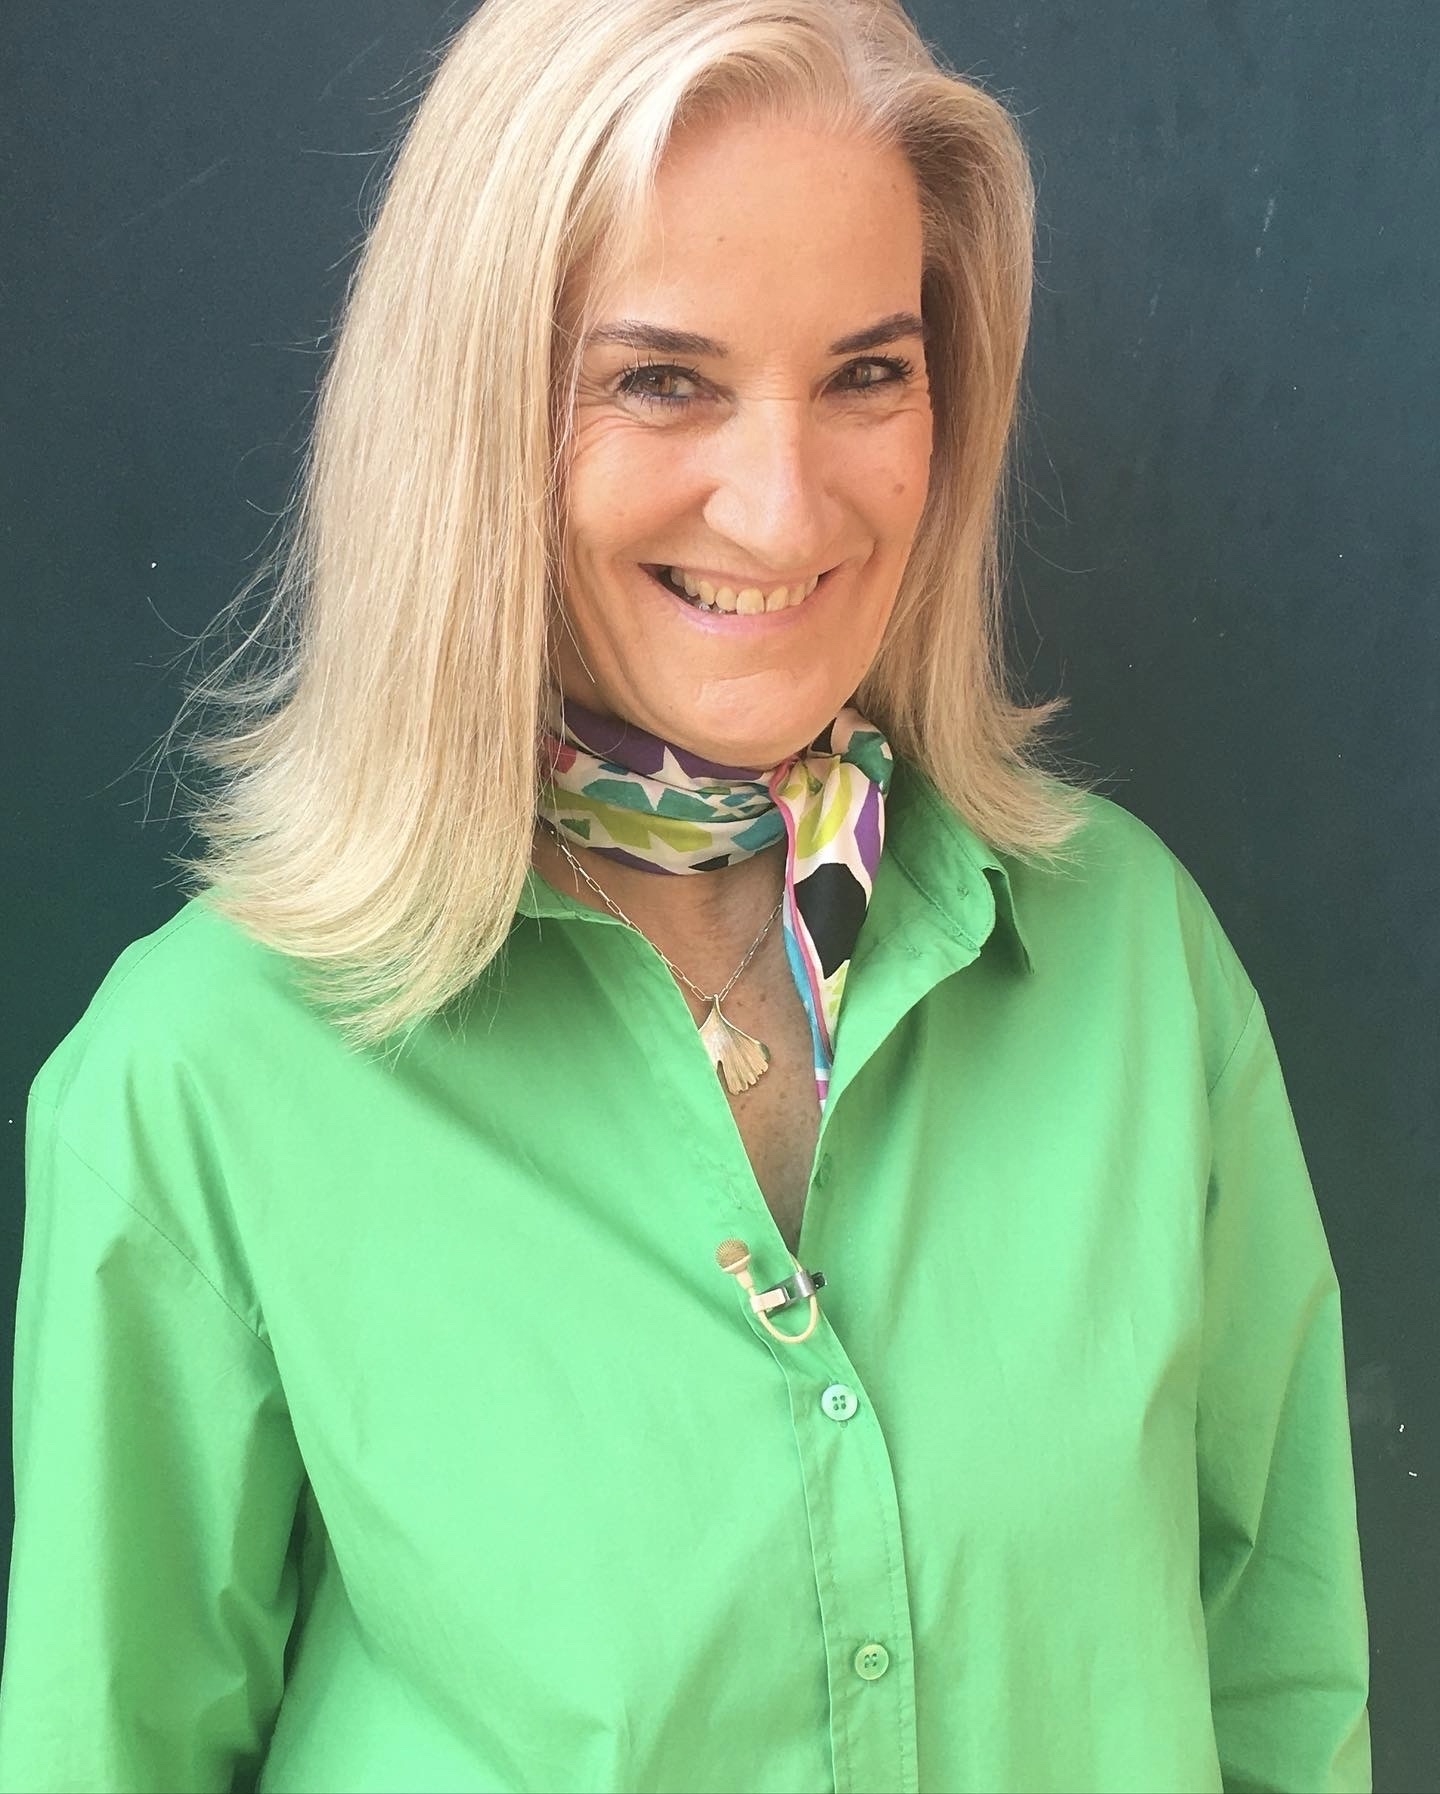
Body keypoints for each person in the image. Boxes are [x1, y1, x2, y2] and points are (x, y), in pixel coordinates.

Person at [0, 0, 1372, 1789]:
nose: (784, 510)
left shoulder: (1135, 965)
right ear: (475, 414)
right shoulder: (202, 1080)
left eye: (868, 373)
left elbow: (1283, 1692)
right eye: (663, 379)